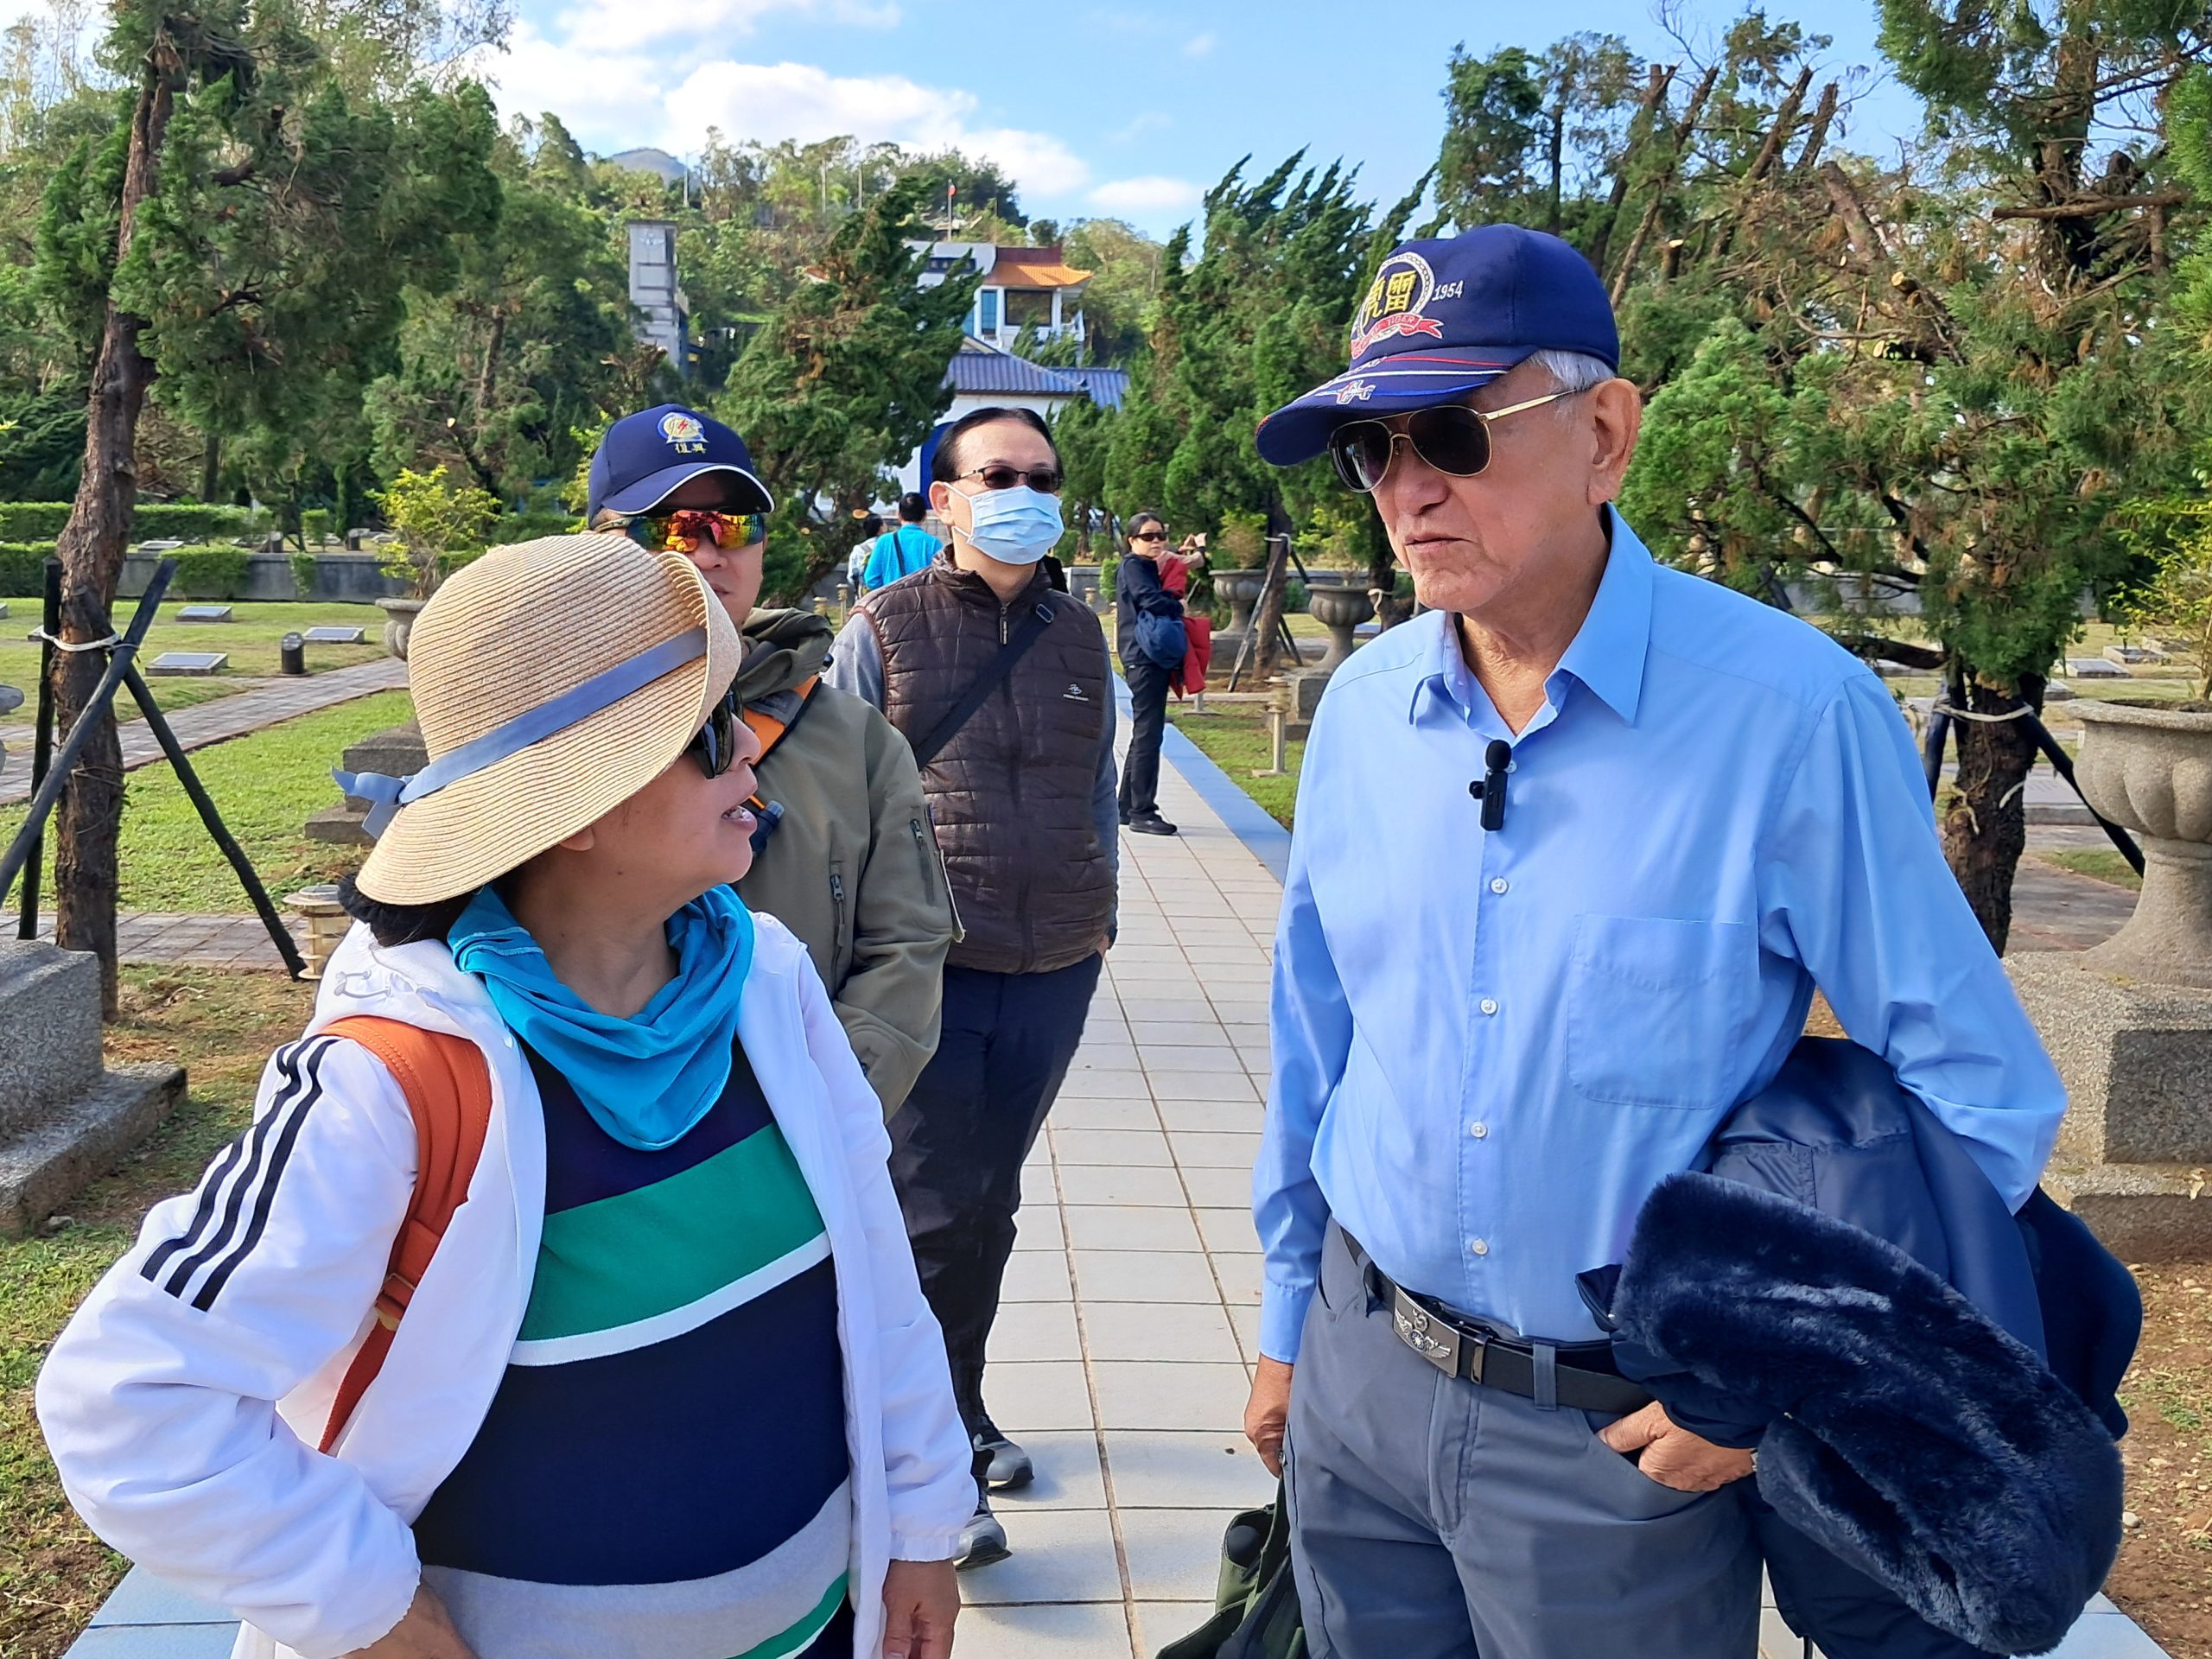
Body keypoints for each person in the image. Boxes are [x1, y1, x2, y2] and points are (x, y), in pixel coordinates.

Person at [1241, 224, 2069, 1658]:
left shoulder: (1790, 720)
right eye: (1371, 450)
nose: (1409, 487)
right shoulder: (1367, 713)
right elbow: (1322, 1037)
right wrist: (1285, 1314)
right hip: (1359, 1382)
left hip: (1616, 1445)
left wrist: (1764, 1378)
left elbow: (1984, 1097)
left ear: (1607, 434)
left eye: (1452, 429)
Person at [36, 534, 972, 1659]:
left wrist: (922, 1522)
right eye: (711, 732)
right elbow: (129, 1393)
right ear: (581, 801)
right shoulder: (391, 1079)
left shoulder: (767, 985)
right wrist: (362, 1607)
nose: (753, 758)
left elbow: (877, 1273)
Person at [826, 404, 1117, 1570]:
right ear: (942, 498)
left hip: (1054, 965)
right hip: (926, 972)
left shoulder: (1078, 633)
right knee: (934, 1212)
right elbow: (839, 804)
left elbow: (1094, 783)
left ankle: (961, 1409)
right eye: (997, 474)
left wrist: (1101, 915)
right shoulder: (883, 629)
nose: (1024, 493)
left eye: (1042, 476)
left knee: (984, 1206)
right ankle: (928, 1463)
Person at [588, 404, 955, 1116]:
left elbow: (909, 943)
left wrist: (815, 1108)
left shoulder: (858, 741)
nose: (704, 552)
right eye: (665, 527)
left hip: (798, 1132)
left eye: (731, 525)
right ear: (595, 545)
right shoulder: (541, 729)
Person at [1114, 510, 1185, 835]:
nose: (1156, 542)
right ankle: (1143, 810)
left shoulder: (1143, 566)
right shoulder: (1134, 565)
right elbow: (1149, 601)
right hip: (1143, 658)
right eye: (1148, 536)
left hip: (1143, 657)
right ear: (1132, 541)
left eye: (1160, 535)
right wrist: (1175, 604)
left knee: (1146, 731)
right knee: (1149, 732)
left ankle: (1126, 807)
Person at [862, 493, 943, 592]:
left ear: (899, 515)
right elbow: (941, 579)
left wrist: (888, 589)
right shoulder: (933, 543)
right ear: (924, 516)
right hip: (924, 603)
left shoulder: (884, 541)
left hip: (892, 603)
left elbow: (871, 580)